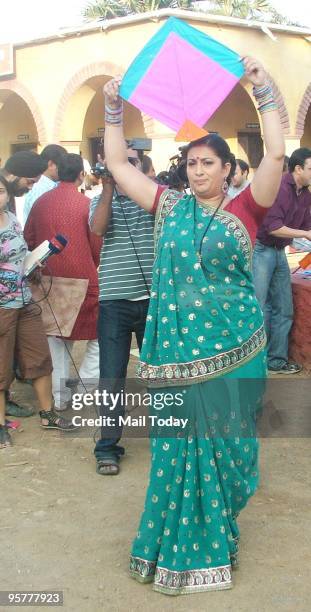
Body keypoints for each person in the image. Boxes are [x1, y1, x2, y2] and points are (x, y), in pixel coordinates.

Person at [102, 56, 285, 595]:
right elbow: (117, 164)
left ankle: (221, 527)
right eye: (192, 162)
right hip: (177, 358)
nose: (199, 170)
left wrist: (264, 91)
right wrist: (114, 107)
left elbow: (275, 151)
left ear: (227, 168)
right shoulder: (168, 206)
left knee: (231, 452)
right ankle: (179, 550)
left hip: (239, 347)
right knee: (179, 448)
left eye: (208, 162)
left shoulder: (249, 209)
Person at [89, 148, 154, 475]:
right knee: (112, 377)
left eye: (132, 162)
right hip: (115, 303)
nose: (125, 167)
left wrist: (141, 186)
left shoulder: (154, 200)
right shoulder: (101, 199)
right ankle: (107, 447)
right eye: (120, 162)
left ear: (142, 167)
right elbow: (98, 229)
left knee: (159, 375)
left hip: (153, 301)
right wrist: (109, 190)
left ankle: (165, 437)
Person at [0, 174, 74, 448]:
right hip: (2, 306)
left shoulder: (12, 219)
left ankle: (48, 414)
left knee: (39, 357)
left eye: (1, 191)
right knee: (1, 365)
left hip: (25, 300)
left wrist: (34, 263)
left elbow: (21, 254)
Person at [24, 154, 102, 410]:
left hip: (48, 280)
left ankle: (59, 398)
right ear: (81, 175)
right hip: (83, 279)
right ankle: (86, 390)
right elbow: (96, 246)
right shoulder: (86, 204)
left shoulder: (41, 203)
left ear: (57, 171)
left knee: (56, 342)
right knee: (99, 338)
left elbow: (30, 239)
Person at [253, 147, 311, 374]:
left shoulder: (306, 195)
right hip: (262, 250)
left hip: (279, 252)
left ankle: (276, 360)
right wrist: (304, 234)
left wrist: (306, 234)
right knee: (260, 306)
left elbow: (306, 227)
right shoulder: (279, 188)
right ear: (298, 169)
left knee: (284, 308)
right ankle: (255, 360)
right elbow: (274, 227)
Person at [23, 144, 67, 224]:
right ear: (51, 164)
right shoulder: (40, 188)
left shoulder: (52, 185)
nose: (64, 170)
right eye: (62, 166)